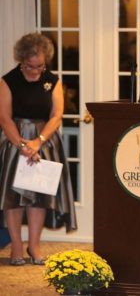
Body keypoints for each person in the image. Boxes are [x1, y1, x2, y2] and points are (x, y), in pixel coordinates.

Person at [0, 33, 77, 266]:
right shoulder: (8, 80)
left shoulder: (52, 80)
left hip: (44, 143)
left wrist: (38, 141)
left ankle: (34, 245)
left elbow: (56, 115)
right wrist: (23, 144)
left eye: (40, 66)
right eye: (30, 66)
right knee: (13, 197)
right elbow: (4, 118)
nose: (36, 71)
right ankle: (16, 246)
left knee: (39, 196)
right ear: (21, 60)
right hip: (15, 141)